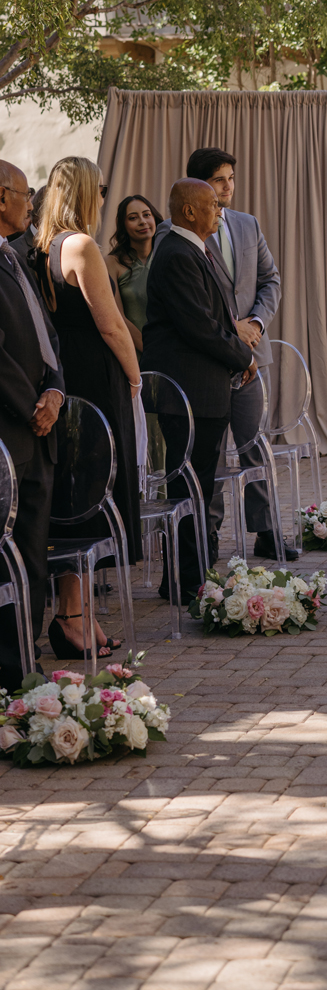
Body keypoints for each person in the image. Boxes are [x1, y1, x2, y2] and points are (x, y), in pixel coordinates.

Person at [34, 156, 142, 658]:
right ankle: (72, 618)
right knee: (95, 492)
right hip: (95, 377)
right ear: (83, 193)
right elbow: (111, 322)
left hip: (63, 372)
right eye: (99, 190)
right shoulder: (80, 244)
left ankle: (79, 614)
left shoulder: (37, 247)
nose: (104, 198)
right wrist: (135, 373)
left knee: (76, 495)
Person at [159, 147, 288, 561]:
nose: (227, 188)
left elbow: (270, 279)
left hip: (249, 353)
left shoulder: (247, 225)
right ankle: (207, 537)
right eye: (218, 181)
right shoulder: (173, 232)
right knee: (208, 455)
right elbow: (193, 308)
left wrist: (256, 324)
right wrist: (230, 332)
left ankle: (266, 530)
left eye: (231, 179)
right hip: (211, 357)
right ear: (197, 189)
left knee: (254, 445)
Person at [142, 179, 254, 603]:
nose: (220, 211)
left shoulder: (193, 249)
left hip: (204, 389)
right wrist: (242, 356)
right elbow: (201, 325)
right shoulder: (176, 254)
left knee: (200, 487)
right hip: (188, 392)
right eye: (211, 204)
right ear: (189, 211)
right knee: (189, 488)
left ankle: (192, 575)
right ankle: (186, 582)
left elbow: (217, 315)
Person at [0, 161, 65, 692]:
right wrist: (32, 405)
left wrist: (57, 390)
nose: (31, 204)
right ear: (2, 198)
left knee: (33, 555)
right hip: (12, 433)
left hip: (41, 427)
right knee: (10, 559)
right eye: (24, 194)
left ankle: (27, 660)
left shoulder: (18, 255)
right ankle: (11, 670)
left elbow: (48, 339)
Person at [105, 194, 163, 353]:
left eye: (146, 215)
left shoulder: (168, 257)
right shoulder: (112, 263)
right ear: (123, 225)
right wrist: (150, 351)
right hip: (131, 354)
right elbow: (116, 316)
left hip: (170, 354)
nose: (143, 221)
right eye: (133, 218)